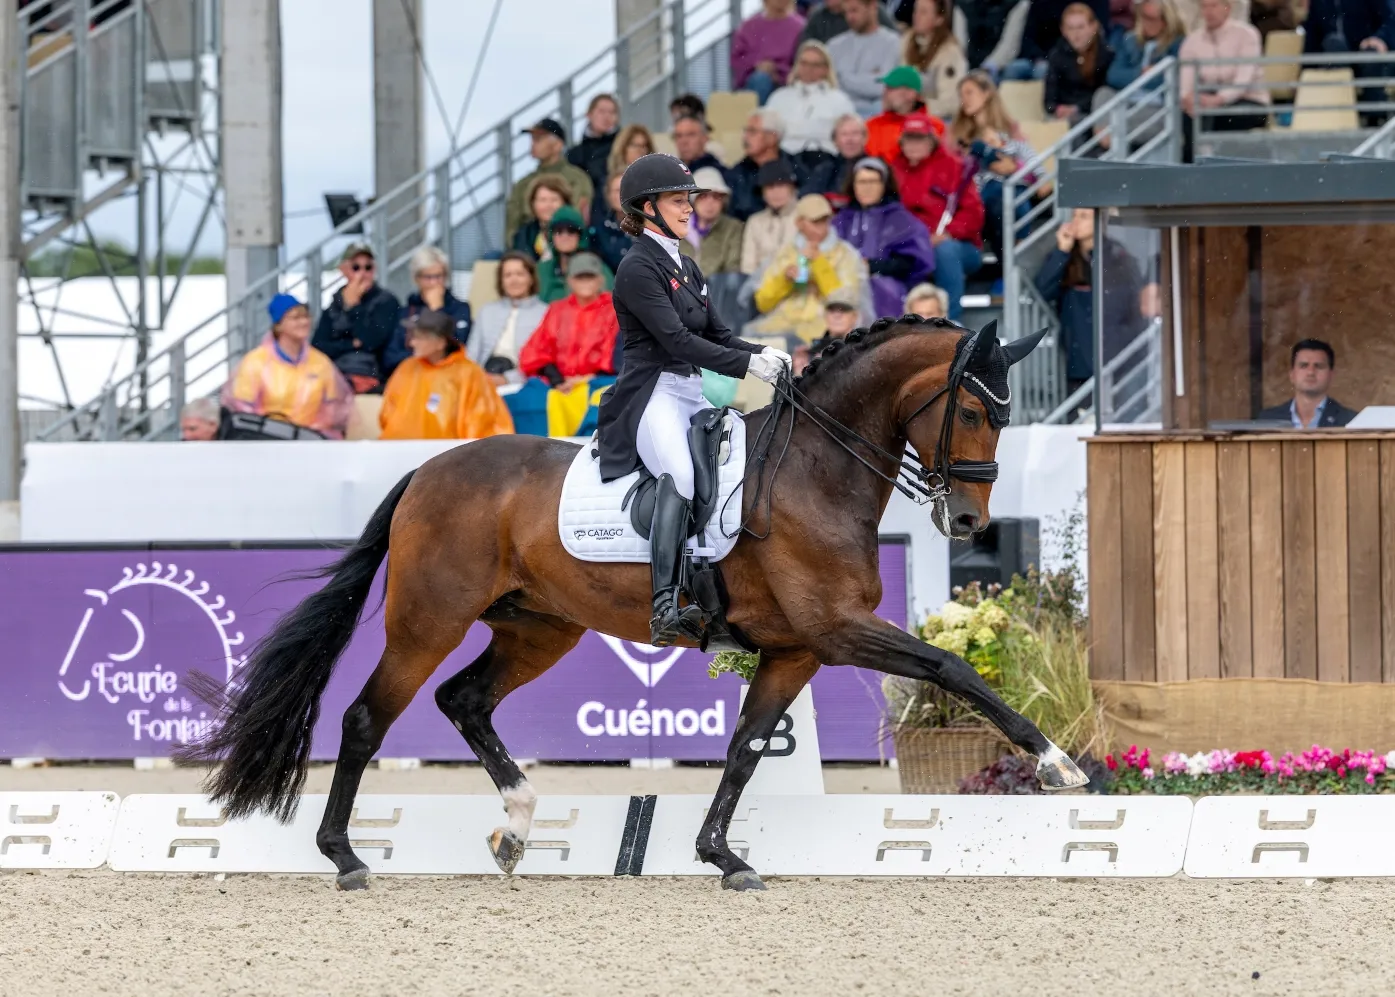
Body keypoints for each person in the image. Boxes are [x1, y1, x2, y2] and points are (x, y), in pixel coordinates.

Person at [595, 155, 787, 645]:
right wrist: (748, 367)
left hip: (690, 392)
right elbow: (678, 342)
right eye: (679, 201)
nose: (688, 209)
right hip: (650, 395)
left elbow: (719, 335)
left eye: (688, 200)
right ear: (648, 207)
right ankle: (664, 604)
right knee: (679, 474)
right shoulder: (637, 268)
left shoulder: (688, 265)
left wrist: (762, 351)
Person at [1034, 208, 1154, 390]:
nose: (1076, 221)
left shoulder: (1117, 256)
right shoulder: (1064, 257)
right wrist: (1061, 251)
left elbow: (1132, 306)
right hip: (1079, 363)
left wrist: (1120, 339)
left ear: (1100, 221)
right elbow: (1042, 291)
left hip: (1116, 361)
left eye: (1084, 216)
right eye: (1074, 216)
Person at [891, 113, 984, 320]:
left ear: (931, 140)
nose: (914, 145)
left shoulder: (955, 167)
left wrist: (948, 234)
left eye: (920, 138)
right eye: (909, 138)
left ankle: (950, 323)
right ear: (901, 142)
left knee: (945, 252)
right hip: (912, 245)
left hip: (958, 246)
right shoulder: (894, 170)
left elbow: (974, 214)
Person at [225, 293, 353, 439]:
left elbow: (336, 407)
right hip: (266, 440)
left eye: (306, 316)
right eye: (295, 318)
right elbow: (242, 409)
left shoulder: (321, 362)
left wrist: (311, 431)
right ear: (278, 325)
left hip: (310, 441)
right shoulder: (255, 362)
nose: (303, 322)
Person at [379, 309, 515, 441]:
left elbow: (482, 423)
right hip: (399, 451)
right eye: (413, 336)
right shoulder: (407, 368)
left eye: (420, 337)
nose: (412, 343)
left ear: (440, 343)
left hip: (449, 456)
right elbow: (387, 413)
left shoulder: (469, 374)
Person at [750, 193, 868, 342]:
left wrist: (819, 263)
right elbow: (763, 303)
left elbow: (846, 300)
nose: (821, 228)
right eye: (815, 222)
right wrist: (784, 279)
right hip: (781, 324)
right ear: (799, 223)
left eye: (825, 221)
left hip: (825, 326)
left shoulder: (845, 254)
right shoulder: (785, 253)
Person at [832, 157, 935, 319]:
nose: (867, 188)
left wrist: (873, 266)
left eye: (873, 182)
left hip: (886, 285)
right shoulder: (842, 219)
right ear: (853, 185)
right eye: (861, 182)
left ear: (884, 185)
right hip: (842, 282)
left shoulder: (901, 219)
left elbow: (912, 263)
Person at [951, 70, 1035, 253]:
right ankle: (1007, 264)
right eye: (961, 95)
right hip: (973, 200)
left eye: (969, 92)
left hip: (1004, 197)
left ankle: (1010, 261)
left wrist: (1013, 167)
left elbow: (1031, 167)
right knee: (998, 201)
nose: (964, 99)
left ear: (987, 93)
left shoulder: (1010, 130)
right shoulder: (957, 134)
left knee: (1007, 197)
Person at [1179, 0, 1269, 157]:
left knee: (1209, 116)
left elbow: (1243, 81)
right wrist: (1188, 97)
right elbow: (1185, 82)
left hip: (1249, 101)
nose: (1209, 11)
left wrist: (1219, 99)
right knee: (1187, 116)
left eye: (1214, 6)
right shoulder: (1192, 41)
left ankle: (1202, 162)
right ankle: (1193, 164)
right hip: (1206, 102)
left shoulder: (1247, 34)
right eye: (1204, 7)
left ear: (1227, 8)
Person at [519, 253, 622, 389]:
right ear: (569, 281)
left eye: (590, 277)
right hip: (558, 385)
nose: (585, 282)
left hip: (599, 384)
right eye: (579, 277)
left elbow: (614, 356)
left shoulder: (613, 310)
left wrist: (587, 379)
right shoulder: (557, 309)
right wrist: (557, 380)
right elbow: (535, 351)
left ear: (600, 280)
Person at [311, 243, 402, 394]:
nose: (362, 274)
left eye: (368, 268)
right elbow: (318, 346)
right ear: (344, 270)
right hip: (334, 375)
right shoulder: (335, 305)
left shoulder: (386, 301)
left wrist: (354, 308)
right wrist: (352, 343)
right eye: (356, 268)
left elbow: (372, 341)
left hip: (372, 377)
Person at [382, 246, 472, 379]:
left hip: (447, 378)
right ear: (416, 279)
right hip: (412, 379)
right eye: (427, 277)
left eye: (438, 276)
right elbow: (390, 358)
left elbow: (456, 348)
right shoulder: (406, 312)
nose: (434, 283)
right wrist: (423, 356)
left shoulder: (460, 308)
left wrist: (437, 310)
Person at [504, 118, 594, 246]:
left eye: (539, 139)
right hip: (528, 249)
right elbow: (512, 227)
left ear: (557, 145)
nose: (533, 144)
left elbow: (578, 217)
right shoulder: (523, 184)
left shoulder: (577, 179)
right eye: (533, 139)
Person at [765, 40, 859, 164]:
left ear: (826, 69)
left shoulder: (840, 100)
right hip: (785, 160)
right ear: (796, 66)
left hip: (828, 160)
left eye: (815, 64)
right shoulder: (778, 97)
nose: (809, 69)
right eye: (804, 63)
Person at [1302, 0, 1395, 124]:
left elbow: (1390, 20)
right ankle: (1339, 119)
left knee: (1371, 55)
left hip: (1368, 53)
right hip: (1336, 59)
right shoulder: (1319, 3)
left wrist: (1380, 38)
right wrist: (1303, 72)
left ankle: (1375, 119)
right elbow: (1312, 37)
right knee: (1333, 43)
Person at [470, 251, 550, 386]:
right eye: (508, 275)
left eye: (520, 274)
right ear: (501, 281)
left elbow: (540, 360)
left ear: (531, 279)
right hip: (482, 378)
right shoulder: (487, 311)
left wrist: (507, 379)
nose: (514, 280)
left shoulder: (546, 313)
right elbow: (472, 354)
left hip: (525, 382)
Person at [729, 109, 810, 221]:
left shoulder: (795, 168)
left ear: (772, 137)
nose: (745, 137)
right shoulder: (737, 173)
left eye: (752, 132)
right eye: (745, 131)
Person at [828, 0, 905, 116]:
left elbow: (881, 88)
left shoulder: (893, 43)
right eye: (846, 12)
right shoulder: (834, 45)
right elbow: (830, 86)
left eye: (854, 10)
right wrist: (868, 79)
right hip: (839, 113)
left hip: (875, 114)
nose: (849, 17)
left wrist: (844, 77)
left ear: (872, 7)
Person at [1258, 340, 1359, 427]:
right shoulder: (1267, 420)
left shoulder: (1351, 421)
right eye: (1303, 365)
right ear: (1292, 375)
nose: (1310, 372)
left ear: (1331, 375)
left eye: (1319, 366)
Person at [1045, 3, 1114, 122]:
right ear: (1063, 30)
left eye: (1081, 27)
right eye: (1070, 28)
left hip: (1093, 115)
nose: (1076, 34)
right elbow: (1049, 98)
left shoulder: (1106, 55)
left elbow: (1103, 93)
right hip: (1061, 116)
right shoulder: (1056, 55)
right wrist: (1058, 109)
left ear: (1094, 27)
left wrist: (1077, 108)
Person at [1008, 0, 1110, 80]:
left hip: (1076, 55)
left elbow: (1099, 33)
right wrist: (1039, 57)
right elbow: (1028, 38)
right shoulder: (1041, 3)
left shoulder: (1094, 3)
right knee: (1014, 68)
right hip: (1041, 57)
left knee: (1044, 71)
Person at [901, 0, 970, 118]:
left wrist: (915, 109)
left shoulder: (950, 51)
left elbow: (951, 103)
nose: (916, 16)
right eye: (915, 10)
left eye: (923, 12)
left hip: (936, 119)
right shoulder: (906, 40)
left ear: (939, 19)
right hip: (903, 112)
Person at [732, 0, 808, 104]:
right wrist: (756, 66)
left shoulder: (801, 27)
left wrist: (779, 72)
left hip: (788, 82)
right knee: (760, 80)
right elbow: (737, 60)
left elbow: (804, 62)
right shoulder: (748, 26)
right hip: (755, 81)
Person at [537, 205, 615, 303]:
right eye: (559, 231)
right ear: (551, 236)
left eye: (571, 230)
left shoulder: (597, 268)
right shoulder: (542, 270)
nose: (565, 236)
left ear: (580, 236)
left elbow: (608, 306)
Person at [741, 160, 802, 275]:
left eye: (781, 185)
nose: (775, 192)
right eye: (769, 187)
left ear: (792, 188)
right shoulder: (755, 222)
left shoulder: (805, 216)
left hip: (797, 283)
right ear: (763, 192)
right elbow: (748, 266)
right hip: (760, 286)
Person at [681, 167, 745, 274]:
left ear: (723, 201)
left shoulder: (733, 227)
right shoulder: (679, 226)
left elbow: (732, 269)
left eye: (716, 197)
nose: (709, 203)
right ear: (693, 200)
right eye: (703, 196)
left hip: (717, 288)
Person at [865, 65, 931, 162]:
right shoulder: (870, 126)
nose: (884, 93)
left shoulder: (933, 127)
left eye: (891, 88)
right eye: (885, 88)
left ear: (910, 94)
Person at [807, 113, 870, 202]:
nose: (850, 140)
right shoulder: (825, 169)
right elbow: (807, 199)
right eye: (844, 134)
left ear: (865, 138)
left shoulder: (876, 169)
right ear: (835, 141)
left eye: (855, 133)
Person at [511, 174, 576, 261]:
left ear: (565, 203)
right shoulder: (524, 234)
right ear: (532, 204)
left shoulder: (575, 230)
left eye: (554, 200)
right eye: (543, 200)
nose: (548, 206)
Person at [567, 93, 620, 195]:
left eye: (612, 112)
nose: (607, 116)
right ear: (589, 114)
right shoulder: (575, 153)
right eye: (601, 111)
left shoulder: (624, 147)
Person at [591, 172, 635, 273]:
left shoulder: (651, 227)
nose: (622, 194)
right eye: (616, 191)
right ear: (608, 196)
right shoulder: (599, 232)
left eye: (626, 189)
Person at [799, 0, 899, 44]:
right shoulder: (818, 16)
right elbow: (805, 48)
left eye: (853, 11)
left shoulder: (871, 10)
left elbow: (895, 40)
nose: (850, 17)